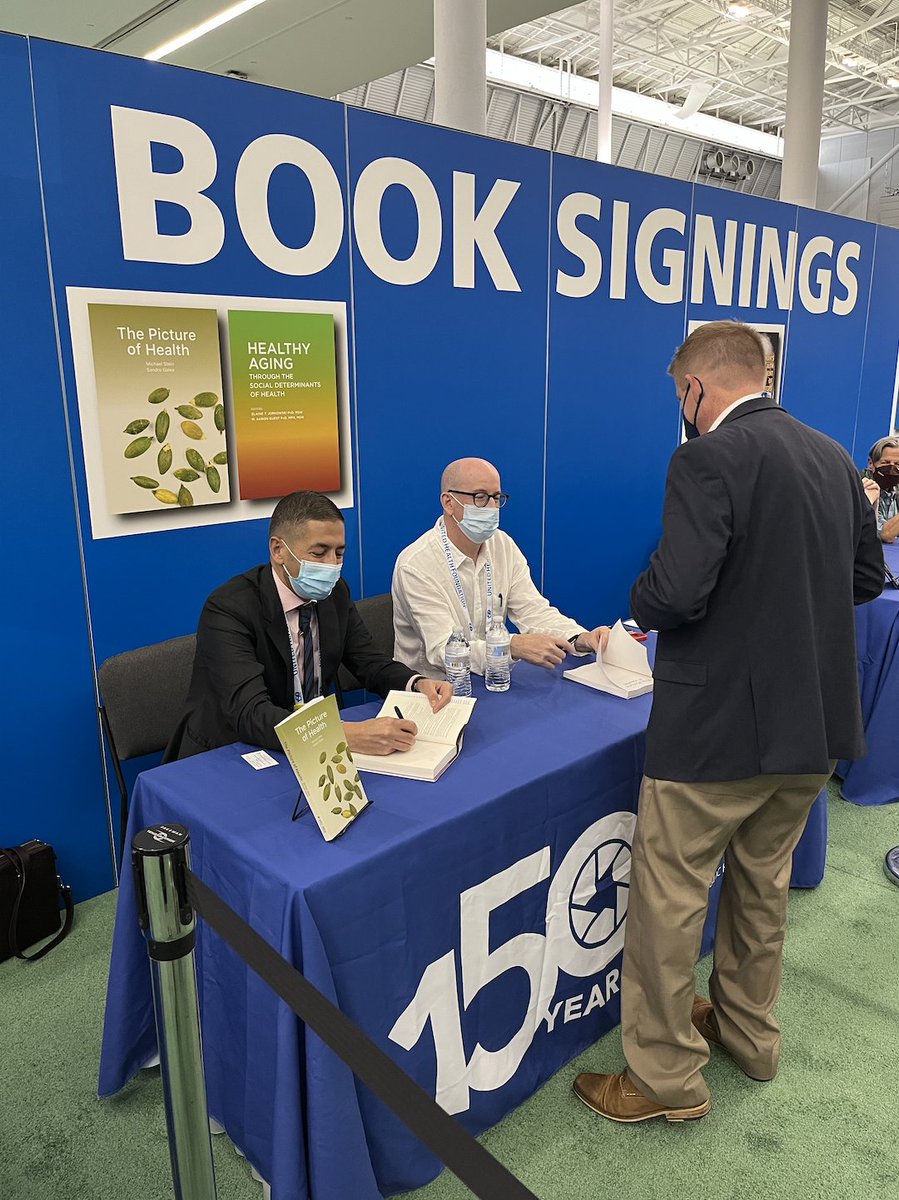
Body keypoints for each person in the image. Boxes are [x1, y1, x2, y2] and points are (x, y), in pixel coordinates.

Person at [573, 321, 884, 1124]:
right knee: (760, 889)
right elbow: (864, 578)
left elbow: (673, 595)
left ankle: (663, 1079)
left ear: (694, 389)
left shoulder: (705, 458)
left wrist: (637, 600)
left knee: (669, 900)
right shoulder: (832, 457)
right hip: (811, 729)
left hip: (715, 734)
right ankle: (749, 1036)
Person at [165, 491, 452, 762]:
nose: (332, 565)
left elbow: (370, 662)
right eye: (319, 553)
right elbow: (250, 713)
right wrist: (347, 735)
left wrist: (417, 683)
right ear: (278, 550)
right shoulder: (229, 608)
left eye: (339, 553)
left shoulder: (335, 593)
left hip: (314, 749)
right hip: (234, 750)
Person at [392, 457, 610, 678]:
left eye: (496, 498)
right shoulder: (416, 565)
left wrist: (580, 638)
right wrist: (511, 646)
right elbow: (442, 651)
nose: (491, 507)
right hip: (434, 686)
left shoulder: (502, 544)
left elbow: (533, 611)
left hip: (493, 677)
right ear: (449, 502)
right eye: (480, 497)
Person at [866, 435, 899, 543]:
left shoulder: (896, 489)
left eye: (897, 464)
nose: (892, 468)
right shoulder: (863, 488)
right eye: (886, 463)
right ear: (871, 464)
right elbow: (885, 534)